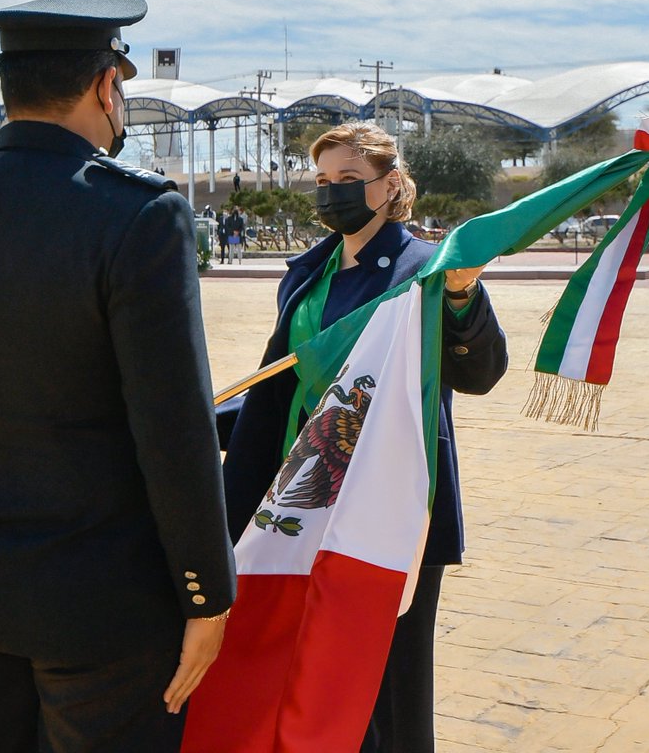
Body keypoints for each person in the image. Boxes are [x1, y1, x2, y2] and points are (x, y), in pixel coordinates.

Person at [0, 0, 235, 753]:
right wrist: (208, 593)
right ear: (107, 86)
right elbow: (172, 429)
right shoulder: (138, 213)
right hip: (108, 605)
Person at [216, 121, 508, 752]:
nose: (331, 194)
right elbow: (291, 391)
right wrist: (200, 426)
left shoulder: (425, 270)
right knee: (309, 668)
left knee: (390, 687)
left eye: (349, 180)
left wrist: (463, 295)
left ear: (390, 184)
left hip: (386, 507)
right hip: (302, 497)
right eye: (322, 181)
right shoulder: (307, 273)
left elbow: (479, 372)